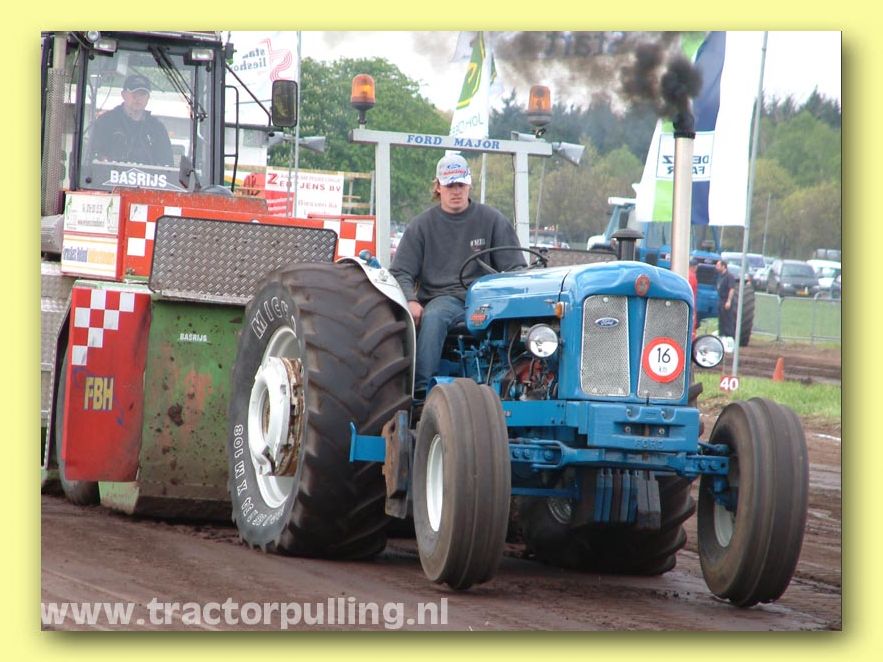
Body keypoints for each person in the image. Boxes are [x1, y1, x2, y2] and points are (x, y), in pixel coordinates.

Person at [390, 154, 526, 399]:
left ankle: (521, 383)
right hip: (445, 298)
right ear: (438, 187)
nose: (456, 191)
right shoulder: (422, 226)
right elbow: (401, 270)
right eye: (450, 185)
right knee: (435, 316)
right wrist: (411, 300)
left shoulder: (492, 220)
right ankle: (421, 391)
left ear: (469, 184)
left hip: (487, 299)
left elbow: (515, 268)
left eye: (461, 184)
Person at [86, 74, 173, 166]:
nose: (138, 98)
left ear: (148, 98)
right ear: (123, 95)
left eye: (142, 94)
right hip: (110, 175)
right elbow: (93, 157)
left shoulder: (157, 128)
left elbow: (167, 164)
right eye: (134, 93)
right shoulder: (105, 122)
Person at [715, 259, 737, 340]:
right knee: (721, 321)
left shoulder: (729, 276)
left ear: (723, 266)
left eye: (718, 265)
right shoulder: (720, 276)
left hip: (726, 300)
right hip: (720, 300)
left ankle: (729, 338)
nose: (716, 267)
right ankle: (721, 337)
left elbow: (731, 289)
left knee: (728, 321)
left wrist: (729, 301)